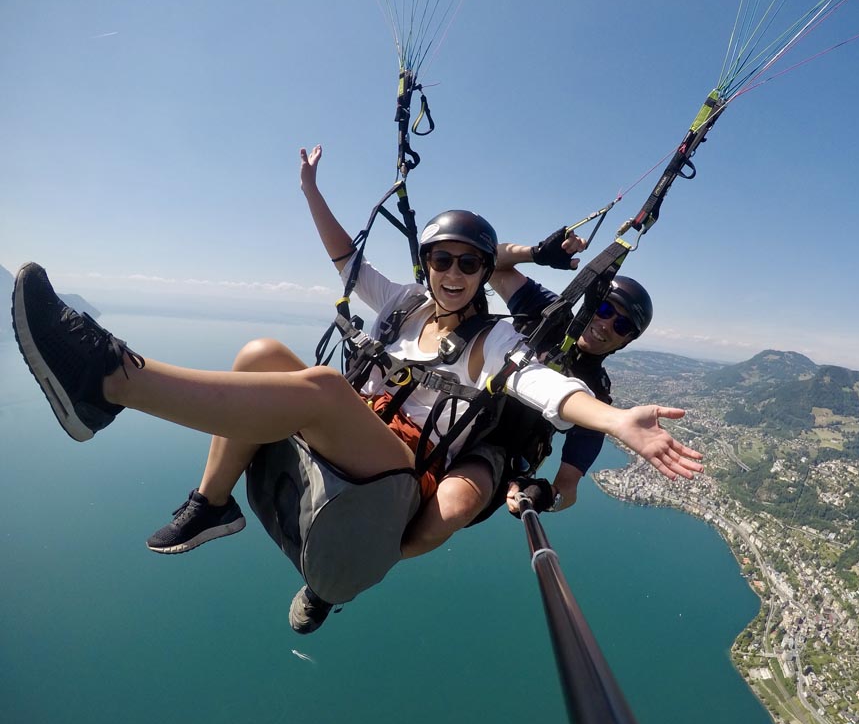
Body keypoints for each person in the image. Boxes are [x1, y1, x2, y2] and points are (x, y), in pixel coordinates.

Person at [11, 145, 703, 635]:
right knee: (261, 354)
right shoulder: (413, 302)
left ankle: (109, 378)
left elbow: (548, 390)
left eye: (468, 264)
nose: (454, 272)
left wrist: (610, 425)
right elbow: (354, 261)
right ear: (427, 264)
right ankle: (211, 505)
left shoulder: (504, 341)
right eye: (443, 260)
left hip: (434, 455)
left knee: (424, 474)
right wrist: (311, 191)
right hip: (376, 423)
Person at [491, 230, 657, 516]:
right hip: (452, 411)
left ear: (625, 342)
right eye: (605, 308)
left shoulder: (595, 396)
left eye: (621, 326)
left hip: (497, 462)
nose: (606, 324)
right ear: (591, 301)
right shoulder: (548, 312)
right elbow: (489, 262)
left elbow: (568, 488)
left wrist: (544, 495)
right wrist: (536, 253)